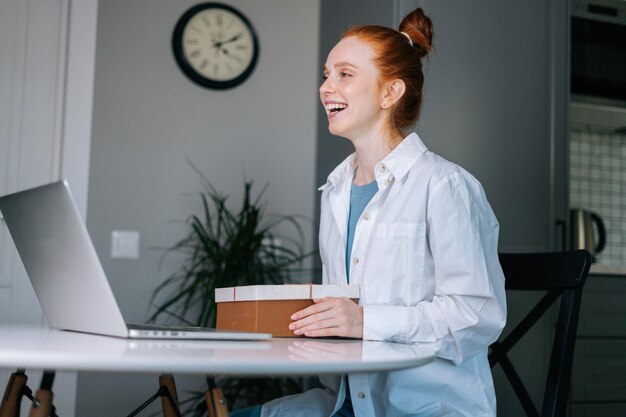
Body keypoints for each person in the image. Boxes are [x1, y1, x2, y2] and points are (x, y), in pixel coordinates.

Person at [232, 7, 506, 417]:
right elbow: (346, 313)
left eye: (344, 74)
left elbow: (477, 315)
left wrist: (365, 322)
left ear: (389, 93)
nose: (326, 87)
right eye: (326, 74)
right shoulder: (336, 190)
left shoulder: (445, 185)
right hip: (345, 401)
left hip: (423, 407)